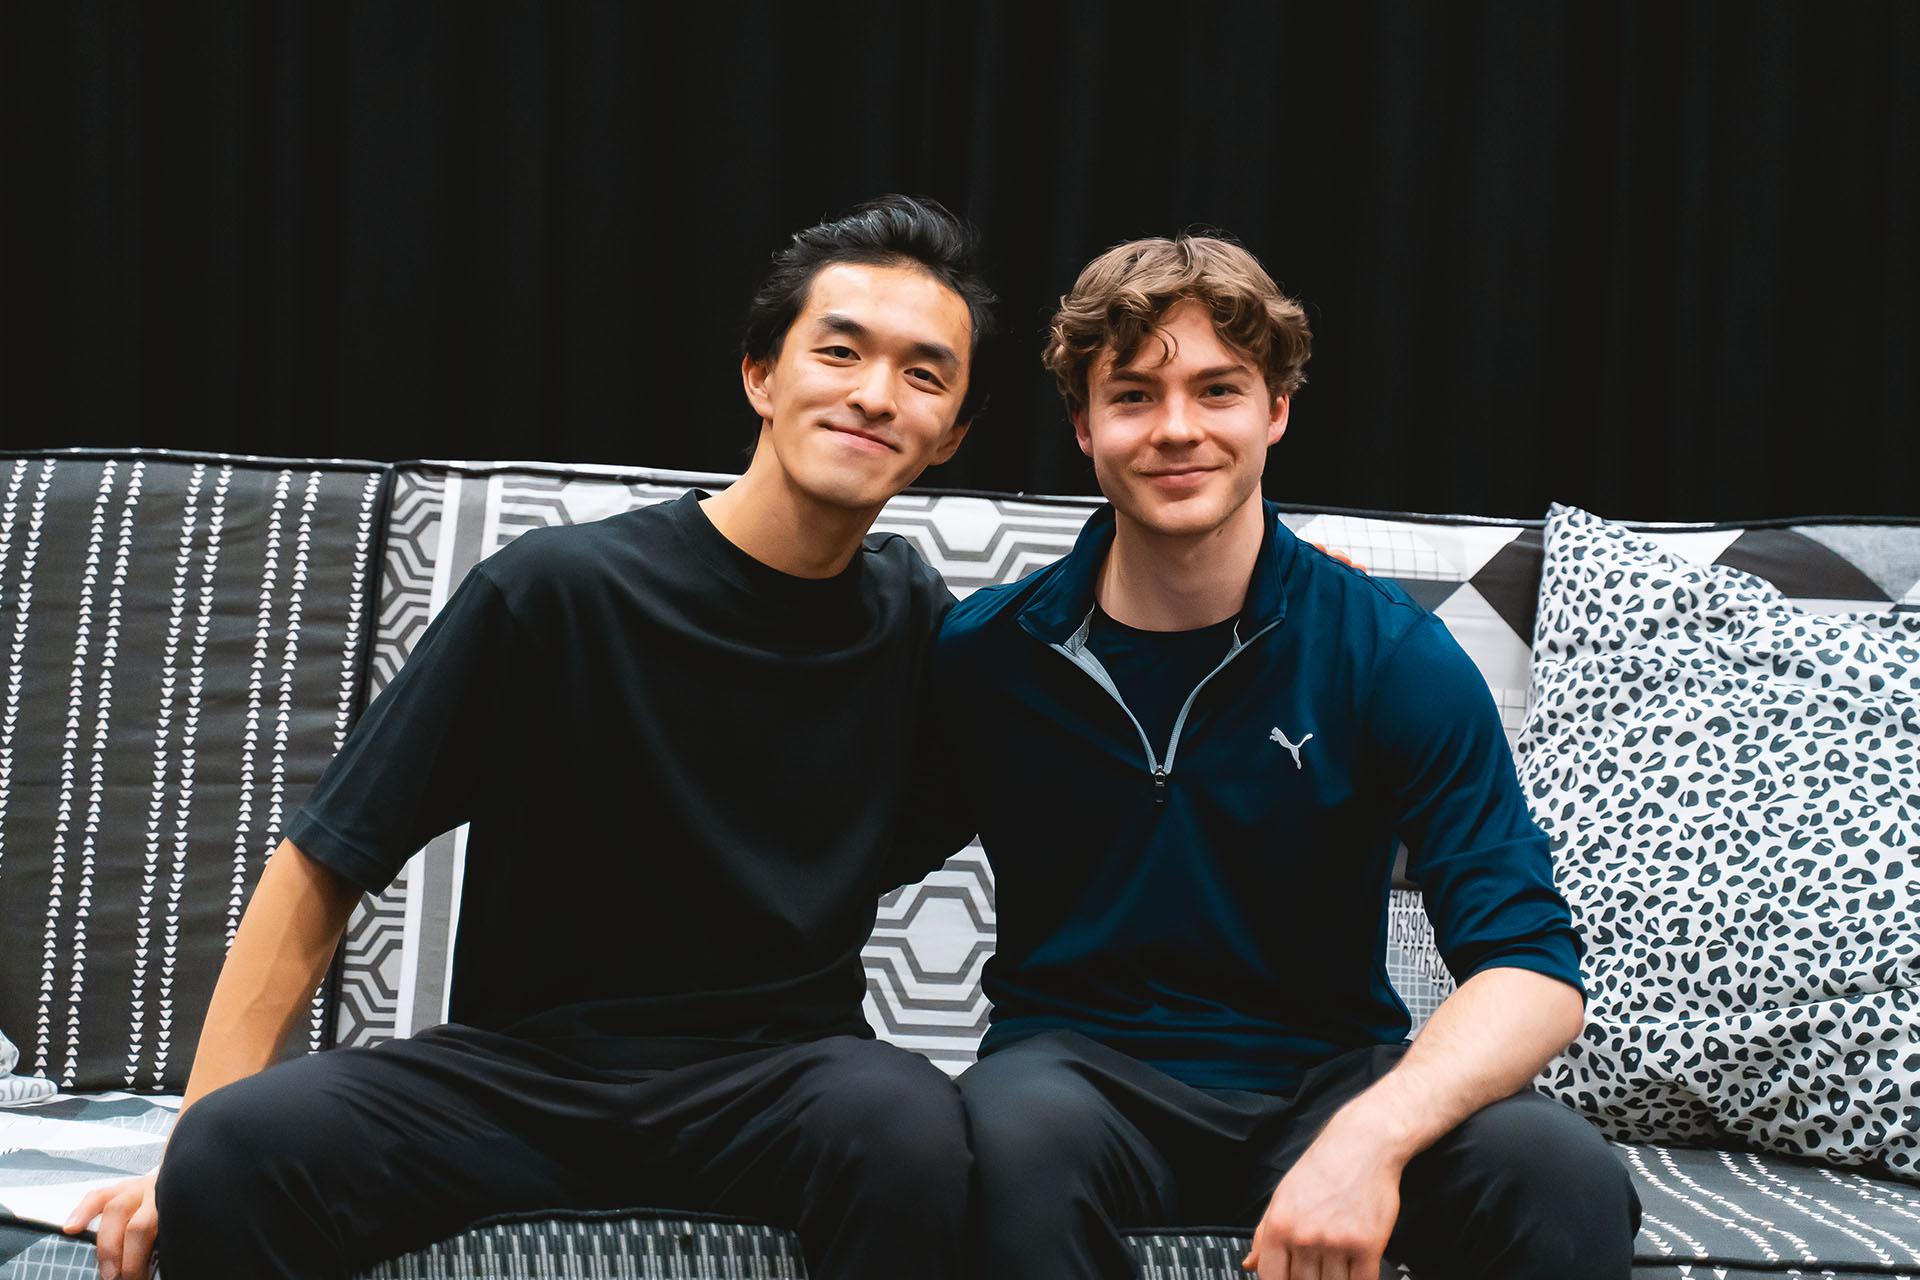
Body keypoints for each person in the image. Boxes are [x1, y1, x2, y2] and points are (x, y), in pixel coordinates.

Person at [64, 194, 996, 1280]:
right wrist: (186, 1141)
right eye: (839, 352)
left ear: (951, 434)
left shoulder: (923, 626)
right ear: (761, 376)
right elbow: (327, 859)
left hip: (781, 1086)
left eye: (923, 375)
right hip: (518, 1080)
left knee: (913, 1128)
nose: (875, 394)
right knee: (235, 1150)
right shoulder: (557, 591)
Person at [932, 234, 1641, 1279]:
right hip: (1071, 1083)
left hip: (1327, 1082)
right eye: (1133, 396)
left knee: (1557, 1168)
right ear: (1083, 426)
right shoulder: (992, 653)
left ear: (1276, 409)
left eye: (1218, 389)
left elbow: (1531, 970)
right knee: (995, 1144)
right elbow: (842, 851)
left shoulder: (1387, 654)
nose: (1178, 428)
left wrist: (1369, 1139)